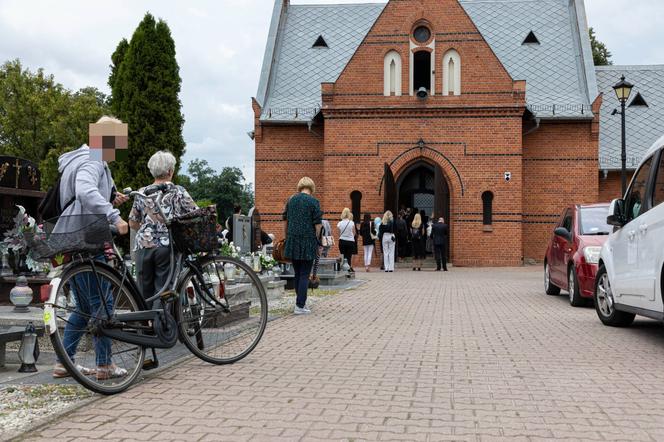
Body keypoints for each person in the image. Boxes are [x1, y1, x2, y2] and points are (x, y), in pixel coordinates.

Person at [52, 116, 130, 380]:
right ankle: (104, 364)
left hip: (74, 237)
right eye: (117, 141)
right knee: (102, 304)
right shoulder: (93, 160)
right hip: (89, 238)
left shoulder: (78, 160)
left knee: (83, 306)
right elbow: (85, 191)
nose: (118, 149)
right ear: (106, 138)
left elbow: (80, 195)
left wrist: (108, 196)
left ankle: (65, 361)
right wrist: (114, 215)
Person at [129, 151, 198, 308]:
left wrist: (148, 231)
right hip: (167, 246)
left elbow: (132, 222)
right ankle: (161, 328)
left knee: (143, 293)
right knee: (163, 292)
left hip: (142, 246)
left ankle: (145, 328)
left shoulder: (142, 192)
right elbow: (195, 215)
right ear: (170, 171)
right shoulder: (177, 191)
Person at [283, 177, 322, 315]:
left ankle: (299, 303)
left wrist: (287, 237)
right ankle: (300, 305)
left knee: (298, 273)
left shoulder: (291, 200)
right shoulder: (314, 202)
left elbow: (285, 221)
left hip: (292, 240)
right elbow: (318, 224)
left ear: (300, 186)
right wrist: (317, 240)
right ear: (311, 187)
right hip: (307, 241)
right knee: (305, 274)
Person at [337, 208, 357, 272]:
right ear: (349, 214)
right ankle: (348, 270)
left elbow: (338, 233)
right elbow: (354, 233)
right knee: (349, 257)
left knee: (343, 256)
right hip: (350, 242)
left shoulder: (340, 223)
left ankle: (342, 270)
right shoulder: (352, 223)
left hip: (342, 241)